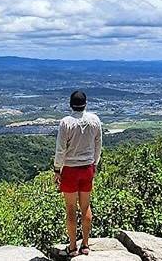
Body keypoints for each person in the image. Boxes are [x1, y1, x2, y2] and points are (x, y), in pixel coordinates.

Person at [54, 90, 102, 257]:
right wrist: (94, 164)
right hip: (87, 168)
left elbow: (60, 150)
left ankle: (73, 247)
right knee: (86, 206)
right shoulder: (94, 120)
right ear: (85, 104)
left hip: (69, 169)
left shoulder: (66, 122)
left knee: (70, 209)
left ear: (70, 105)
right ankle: (86, 245)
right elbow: (98, 145)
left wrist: (57, 169)